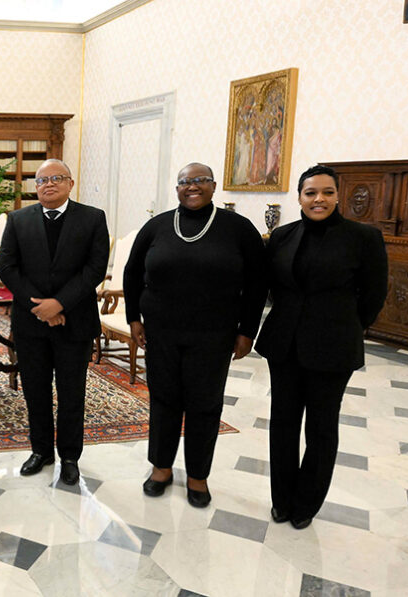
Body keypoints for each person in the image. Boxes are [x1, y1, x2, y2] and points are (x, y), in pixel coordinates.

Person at [124, 162, 267, 507]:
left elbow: (259, 282)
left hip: (214, 335)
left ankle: (197, 476)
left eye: (200, 180)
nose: (193, 187)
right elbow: (132, 272)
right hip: (161, 332)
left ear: (214, 186)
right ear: (176, 189)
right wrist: (134, 319)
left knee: (204, 404)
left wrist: (247, 330)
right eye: (185, 182)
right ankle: (160, 468)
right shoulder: (157, 226)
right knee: (163, 400)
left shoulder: (238, 228)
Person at [256, 165, 388, 529]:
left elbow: (374, 295)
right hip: (284, 343)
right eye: (311, 192)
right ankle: (281, 500)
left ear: (338, 196)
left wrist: (348, 327)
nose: (319, 199)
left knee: (322, 427)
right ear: (299, 197)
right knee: (282, 423)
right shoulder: (281, 237)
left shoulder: (363, 237)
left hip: (333, 346)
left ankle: (306, 504)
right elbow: (270, 288)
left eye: (327, 192)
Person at [0, 159, 109, 485]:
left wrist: (59, 304)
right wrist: (41, 307)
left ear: (70, 183)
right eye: (42, 180)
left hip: (74, 322)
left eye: (56, 178)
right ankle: (41, 451)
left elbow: (95, 268)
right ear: (36, 186)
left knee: (72, 392)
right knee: (35, 390)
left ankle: (70, 457)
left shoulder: (92, 218)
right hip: (31, 323)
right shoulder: (18, 220)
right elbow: (8, 267)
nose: (48, 184)